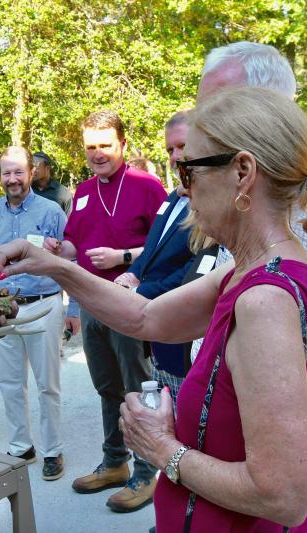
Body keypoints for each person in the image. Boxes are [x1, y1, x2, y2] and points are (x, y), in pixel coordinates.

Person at [0, 86, 307, 532]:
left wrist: (163, 448)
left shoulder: (264, 301)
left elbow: (285, 494)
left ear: (242, 172)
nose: (181, 186)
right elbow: (146, 317)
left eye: (188, 169)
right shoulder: (261, 269)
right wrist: (57, 269)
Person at [198, 41, 307, 529]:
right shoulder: (256, 207)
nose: (207, 117)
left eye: (220, 103)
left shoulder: (291, 212)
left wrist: (167, 452)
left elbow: (279, 318)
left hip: (295, 425)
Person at [44, 110, 167, 512]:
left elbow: (167, 248)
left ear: (123, 145)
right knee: (106, 388)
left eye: (105, 146)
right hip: (92, 302)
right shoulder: (81, 191)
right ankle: (115, 461)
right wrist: (56, 251)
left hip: (131, 302)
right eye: (90, 147)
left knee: (138, 386)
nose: (97, 154)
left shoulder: (147, 186)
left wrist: (124, 256)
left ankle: (147, 472)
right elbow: (74, 245)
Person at [0, 146, 68, 481]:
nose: (12, 179)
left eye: (18, 172)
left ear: (31, 171)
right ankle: (21, 445)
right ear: (0, 176)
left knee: (48, 385)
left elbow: (71, 259)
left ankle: (52, 451)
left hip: (44, 305)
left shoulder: (52, 211)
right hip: (3, 310)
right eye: (6, 173)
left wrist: (76, 309)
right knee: (10, 384)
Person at [114, 111, 195, 400]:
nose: (175, 156)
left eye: (183, 146)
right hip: (159, 337)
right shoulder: (173, 196)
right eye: (170, 150)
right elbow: (153, 247)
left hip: (184, 334)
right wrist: (133, 271)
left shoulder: (210, 204)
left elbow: (195, 269)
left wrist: (139, 291)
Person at [32, 151, 73, 215]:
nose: (32, 170)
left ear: (47, 168)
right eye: (30, 167)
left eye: (36, 166)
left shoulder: (64, 194)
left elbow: (70, 222)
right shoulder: (25, 190)